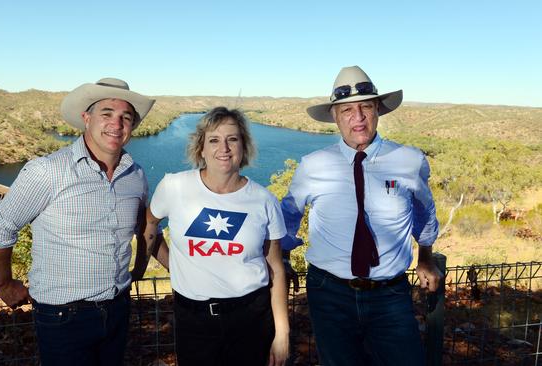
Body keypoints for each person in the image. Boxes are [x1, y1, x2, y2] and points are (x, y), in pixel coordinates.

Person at [0, 78, 155, 366]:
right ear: (86, 119)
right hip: (63, 316)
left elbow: (144, 227)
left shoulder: (135, 175)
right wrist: (4, 284)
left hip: (118, 308)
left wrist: (143, 268)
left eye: (126, 117)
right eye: (107, 114)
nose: (117, 123)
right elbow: (0, 226)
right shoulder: (47, 172)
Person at [280, 66, 441, 366]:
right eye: (347, 110)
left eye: (365, 106)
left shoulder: (409, 160)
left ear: (377, 109)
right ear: (335, 117)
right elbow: (288, 214)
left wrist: (426, 256)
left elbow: (424, 212)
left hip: (390, 294)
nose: (358, 117)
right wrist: (284, 258)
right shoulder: (313, 165)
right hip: (329, 295)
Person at [143, 107, 289, 366]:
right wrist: (173, 265)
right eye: (214, 140)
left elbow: (275, 268)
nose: (224, 147)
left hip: (251, 317)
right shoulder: (174, 186)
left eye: (232, 139)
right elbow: (150, 226)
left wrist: (282, 333)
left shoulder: (263, 200)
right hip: (193, 319)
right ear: (201, 148)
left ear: (243, 147)